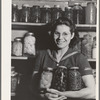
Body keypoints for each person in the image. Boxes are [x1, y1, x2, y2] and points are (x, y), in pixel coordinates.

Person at [30, 17, 96, 100]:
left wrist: (62, 94)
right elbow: (32, 87)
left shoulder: (79, 58)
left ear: (72, 35)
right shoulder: (42, 55)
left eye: (65, 34)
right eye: (57, 33)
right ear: (51, 33)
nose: (60, 38)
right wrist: (44, 95)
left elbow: (92, 92)